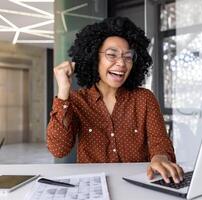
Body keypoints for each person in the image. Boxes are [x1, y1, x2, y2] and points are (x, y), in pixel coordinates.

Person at [47, 16, 183, 184]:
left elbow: (159, 140)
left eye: (128, 57)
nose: (121, 63)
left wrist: (160, 157)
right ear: (94, 58)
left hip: (138, 185)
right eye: (112, 55)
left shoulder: (145, 99)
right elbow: (58, 149)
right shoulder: (76, 101)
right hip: (93, 186)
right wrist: (63, 90)